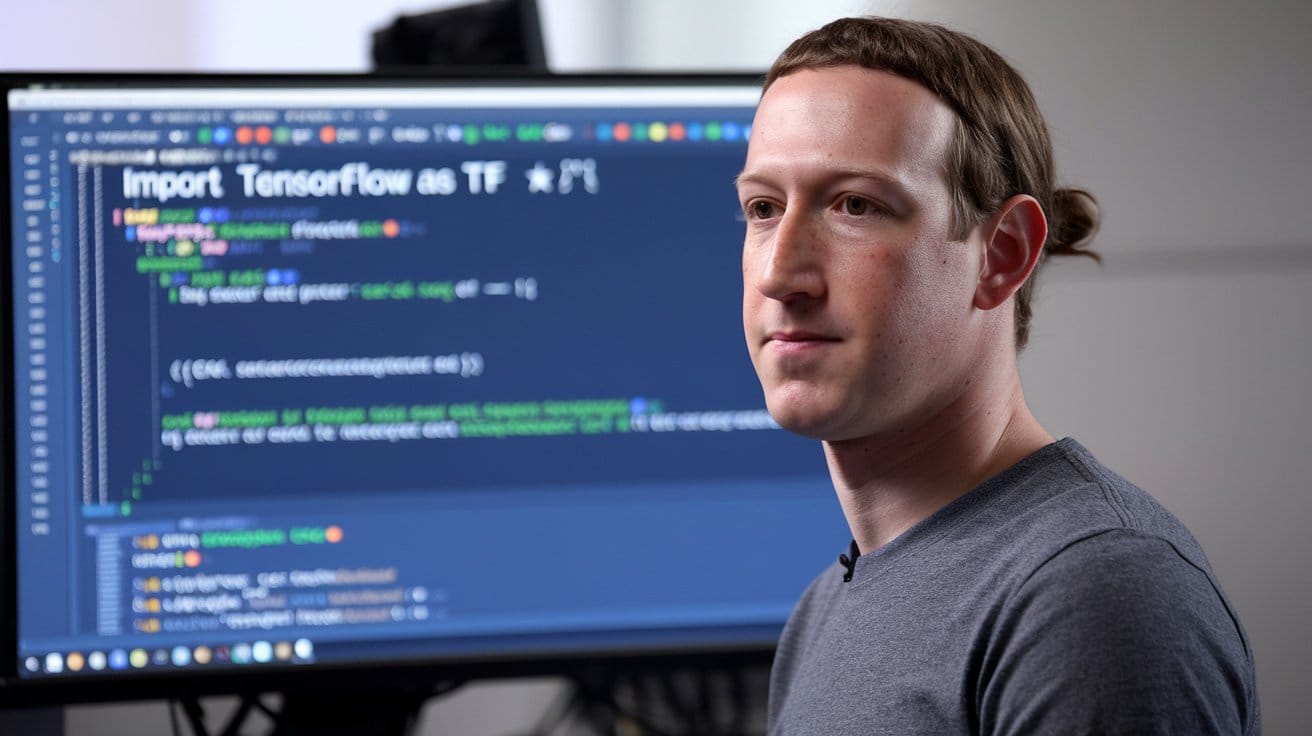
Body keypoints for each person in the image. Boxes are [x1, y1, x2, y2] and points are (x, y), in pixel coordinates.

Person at [736, 16, 1259, 734]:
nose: (778, 272)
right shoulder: (822, 612)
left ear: (1002, 254)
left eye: (855, 205)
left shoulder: (1094, 594)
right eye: (763, 208)